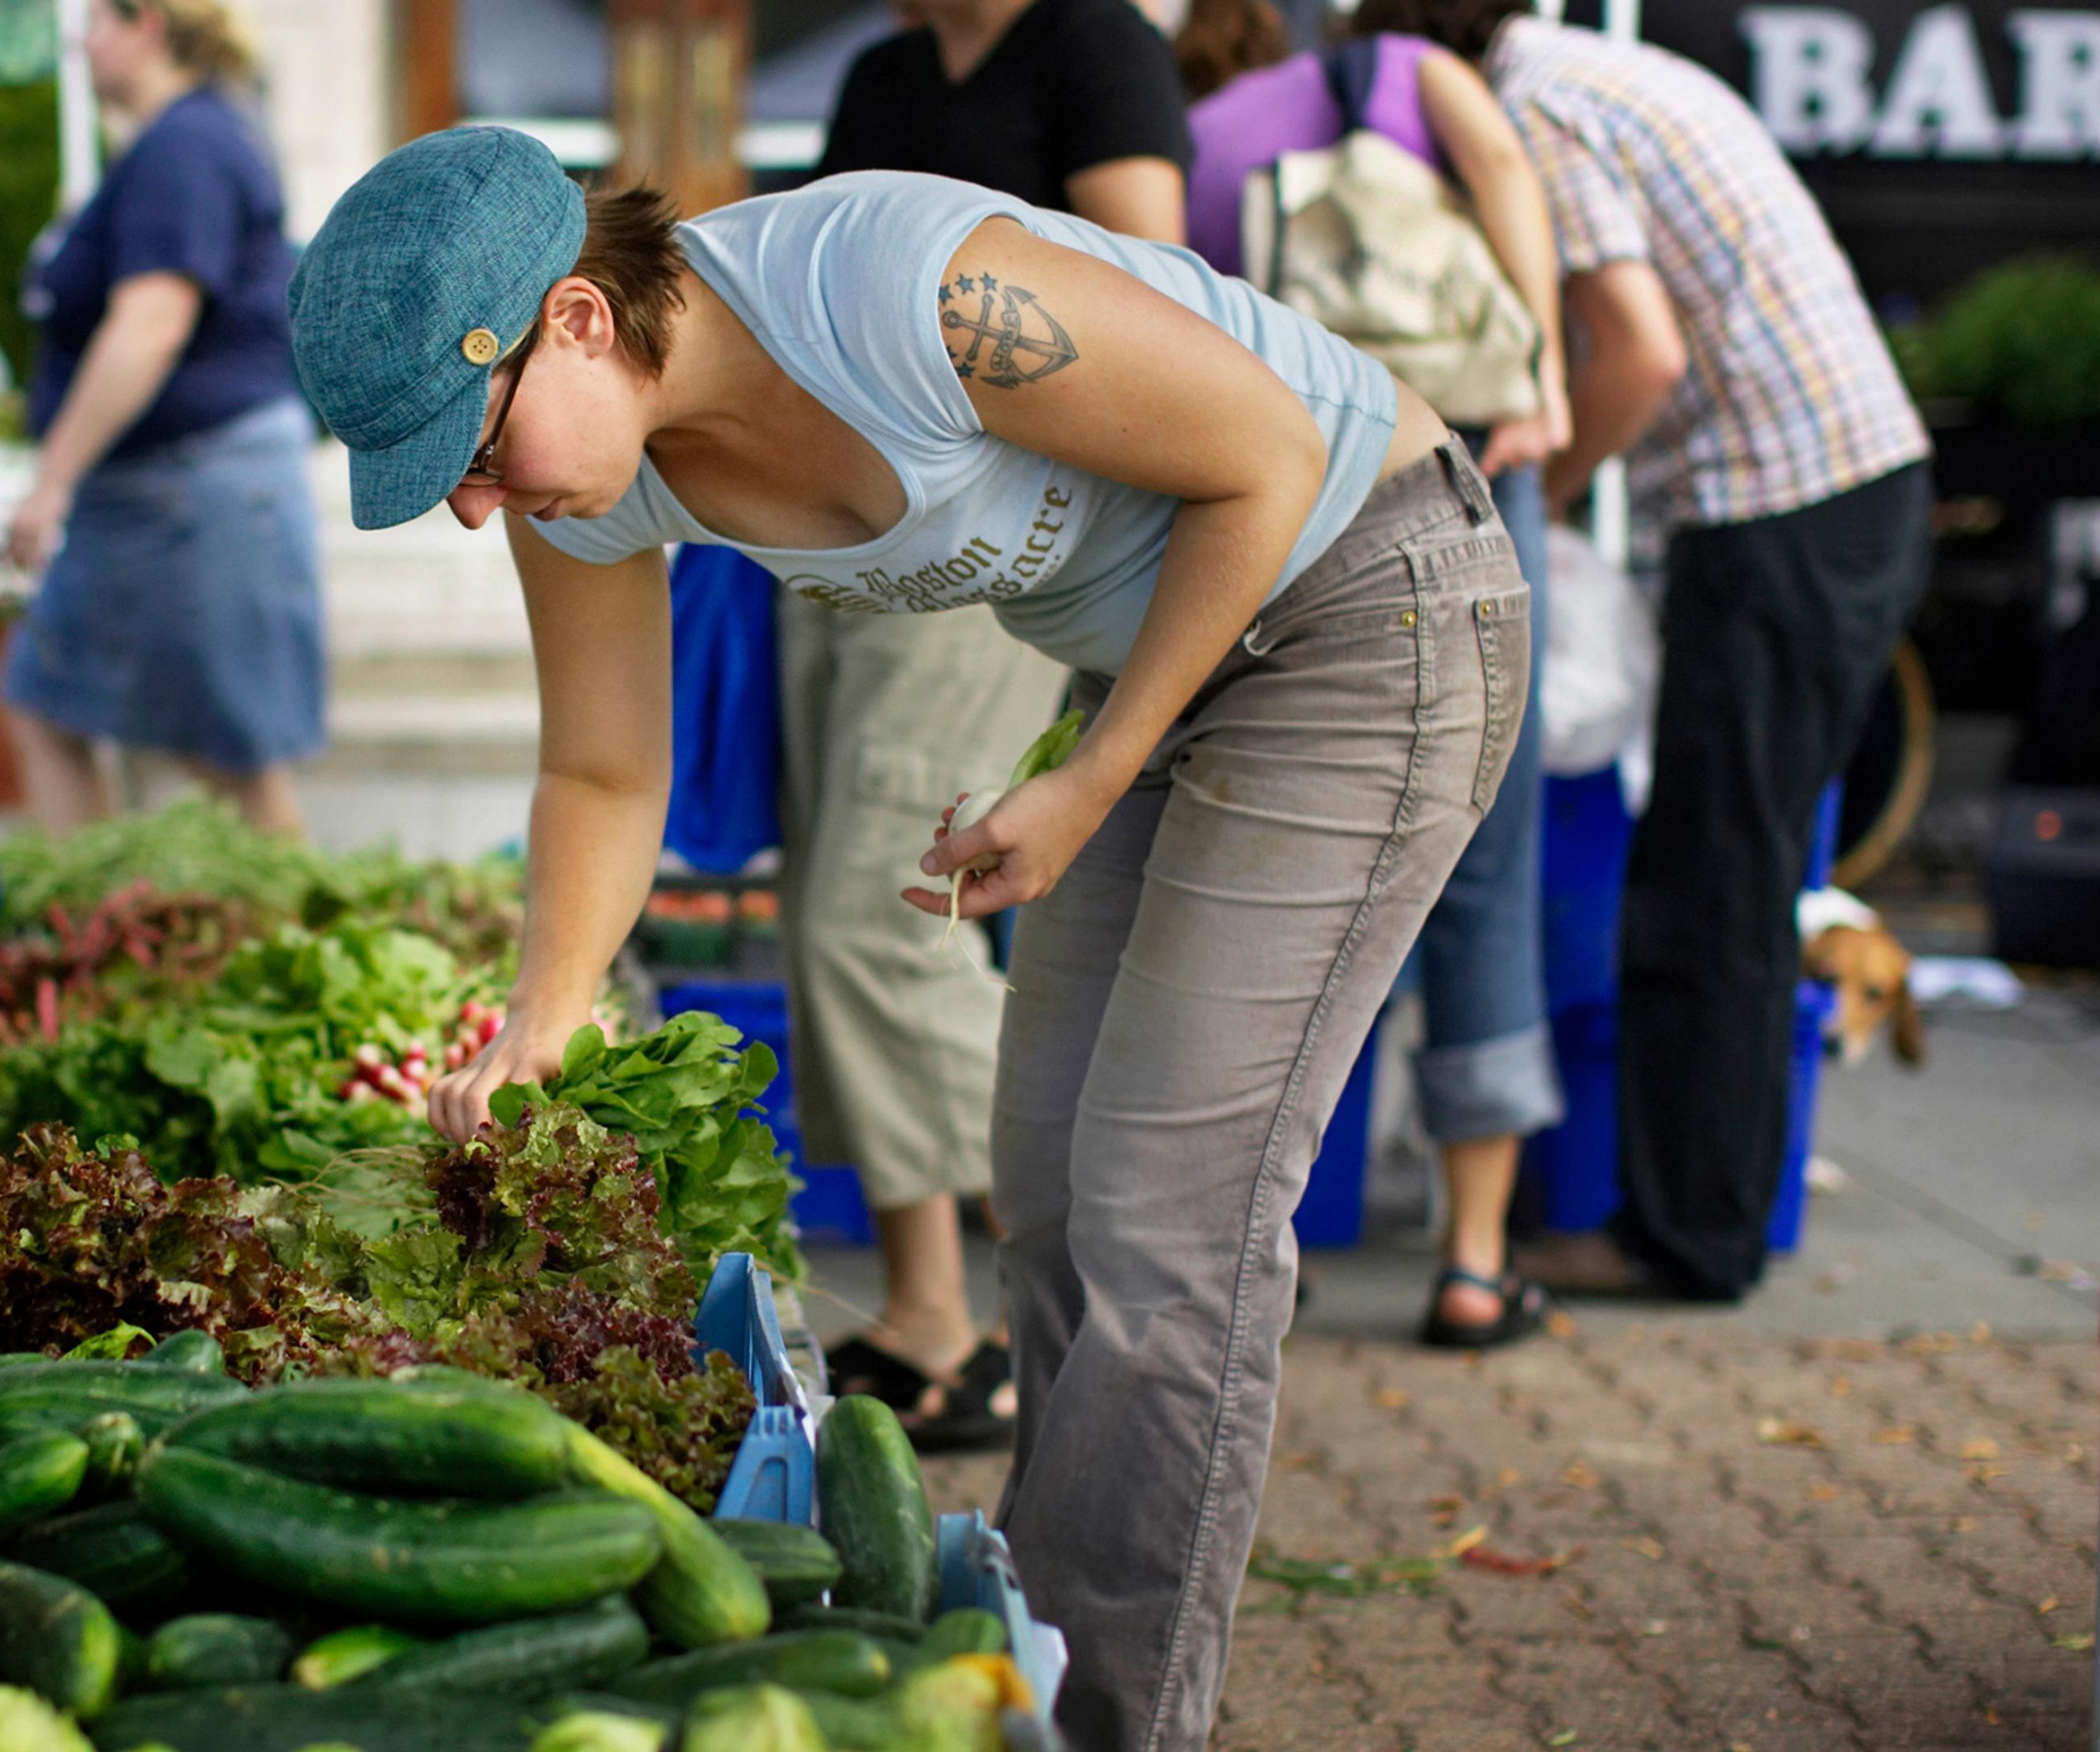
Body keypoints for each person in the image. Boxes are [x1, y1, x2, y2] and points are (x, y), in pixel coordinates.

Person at [290, 126, 1527, 1748]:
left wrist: (1087, 782)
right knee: (1057, 1195)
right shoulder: (584, 481)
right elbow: (600, 765)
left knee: (1171, 1228)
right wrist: (548, 1008)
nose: (469, 503)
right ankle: (1039, 1674)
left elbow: (1272, 456)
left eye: (474, 443)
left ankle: (1107, 1729)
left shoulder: (901, 289)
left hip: (1368, 599)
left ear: (580, 318)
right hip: (1175, 656)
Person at [1351, 0, 1932, 1303]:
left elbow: (1641, 350)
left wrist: (1537, 498)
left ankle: (1685, 1239)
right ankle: (1709, 1218)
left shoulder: (1532, 107)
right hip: (1841, 491)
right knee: (1737, 869)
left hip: (1783, 507)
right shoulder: (1595, 69)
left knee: (1711, 887)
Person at [792, 0, 1191, 1445]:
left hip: (985, 549)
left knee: (881, 913)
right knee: (843, 926)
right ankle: (933, 1319)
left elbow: (1157, 305)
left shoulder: (1096, 46)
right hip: (847, 538)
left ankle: (1135, 1256)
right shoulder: (886, 72)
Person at [1176, 0, 1572, 1346]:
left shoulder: (1204, 138)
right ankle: (1471, 1264)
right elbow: (1511, 179)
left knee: (1307, 880)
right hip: (1462, 483)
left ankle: (1272, 1237)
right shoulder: (1416, 74)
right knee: (1485, 869)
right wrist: (1546, 372)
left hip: (1295, 516)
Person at [0, 0, 320, 835]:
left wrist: (52, 482)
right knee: (52, 704)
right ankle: (92, 924)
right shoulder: (184, 139)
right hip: (170, 485)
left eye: (97, 22)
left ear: (148, 26)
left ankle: (295, 938)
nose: (79, 38)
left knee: (229, 752)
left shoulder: (186, 145)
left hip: (193, 486)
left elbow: (151, 323)